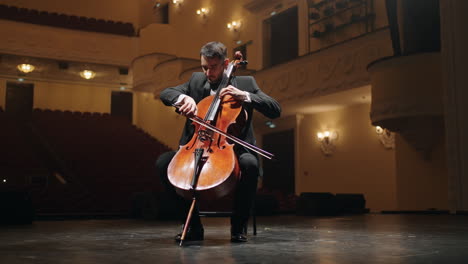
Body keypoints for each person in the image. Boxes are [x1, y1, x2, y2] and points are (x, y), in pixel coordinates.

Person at [156, 41, 281, 243]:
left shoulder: (247, 83)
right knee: (164, 164)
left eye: (213, 67)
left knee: (250, 164)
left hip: (234, 148)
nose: (208, 72)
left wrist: (246, 96)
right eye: (204, 67)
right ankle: (193, 227)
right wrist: (181, 99)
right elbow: (166, 93)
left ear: (226, 63)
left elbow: (275, 109)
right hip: (196, 145)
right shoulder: (196, 81)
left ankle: (238, 227)